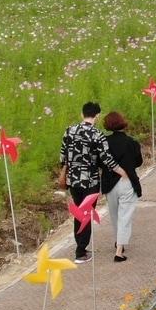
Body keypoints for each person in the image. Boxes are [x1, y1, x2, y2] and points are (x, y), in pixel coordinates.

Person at [58, 101, 126, 260]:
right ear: (97, 115)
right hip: (91, 180)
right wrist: (122, 172)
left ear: (82, 114)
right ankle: (80, 251)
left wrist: (67, 169)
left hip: (73, 180)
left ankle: (80, 247)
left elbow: (62, 155)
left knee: (79, 213)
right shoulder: (97, 134)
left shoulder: (69, 131)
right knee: (86, 213)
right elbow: (107, 159)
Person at [101, 112, 144, 262]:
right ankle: (119, 250)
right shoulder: (132, 142)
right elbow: (139, 162)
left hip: (109, 183)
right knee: (125, 216)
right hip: (127, 182)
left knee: (114, 215)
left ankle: (118, 242)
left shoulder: (104, 142)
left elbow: (101, 162)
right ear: (123, 123)